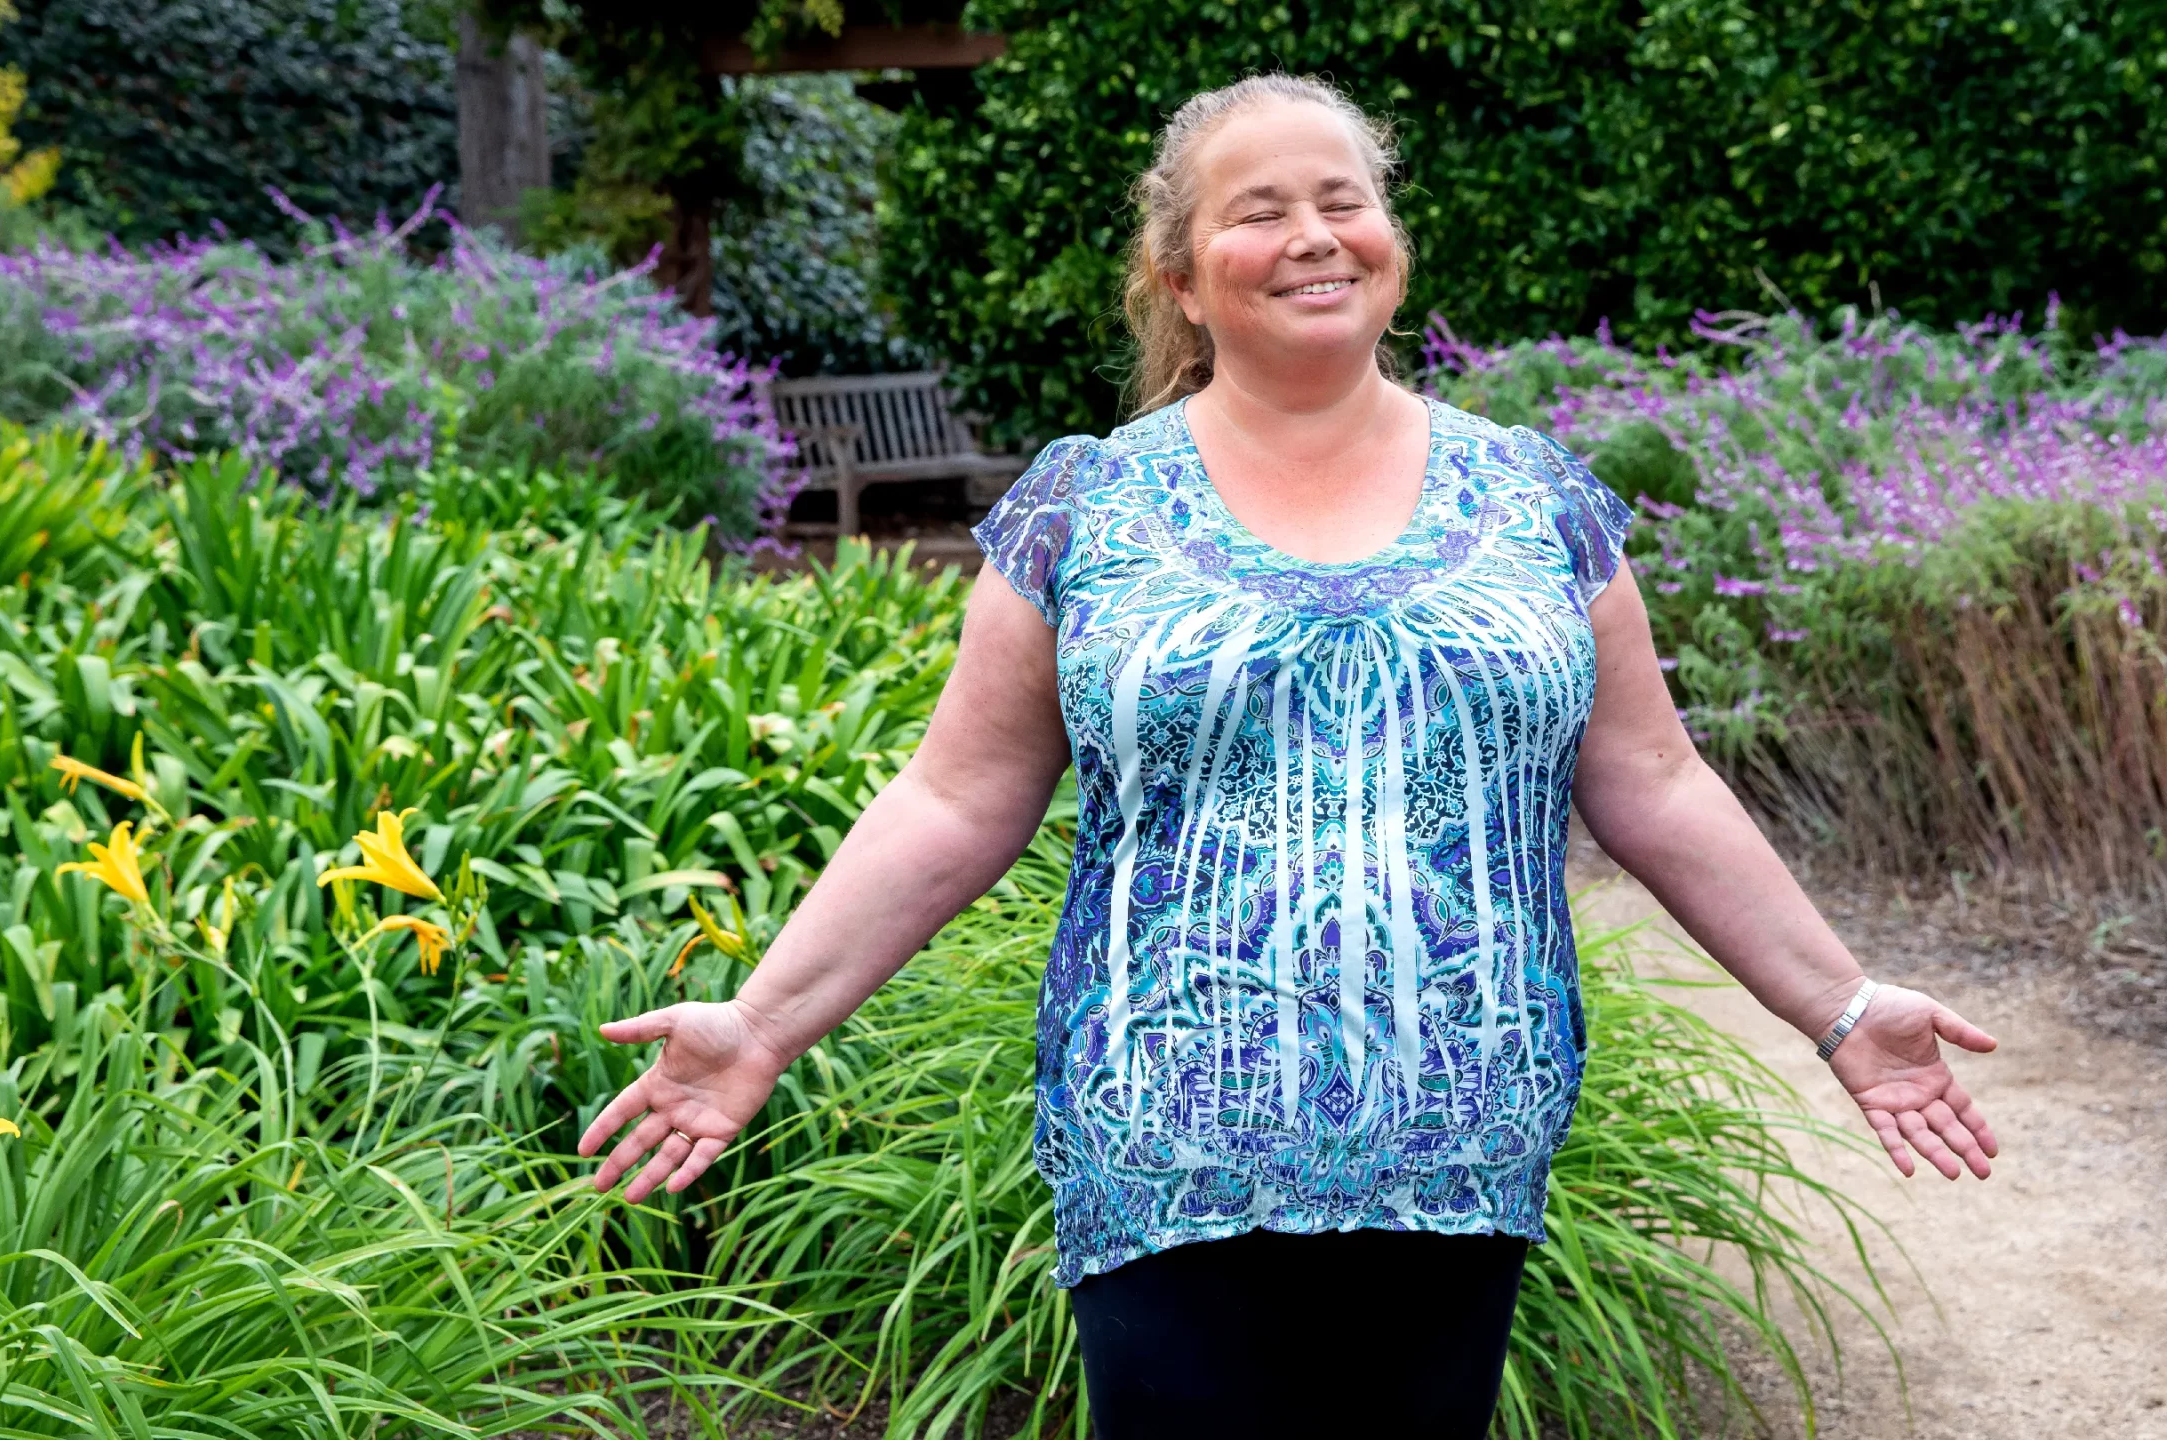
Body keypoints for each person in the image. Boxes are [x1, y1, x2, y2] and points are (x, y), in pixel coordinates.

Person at [576, 73, 2001, 1440]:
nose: (1313, 235)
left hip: (1461, 1127)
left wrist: (1842, 1007)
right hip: (1165, 1135)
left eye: (1345, 199)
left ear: (1392, 241)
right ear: (1183, 277)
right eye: (1258, 210)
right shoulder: (1090, 509)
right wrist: (761, 1025)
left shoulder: (1533, 501)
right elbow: (958, 799)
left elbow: (1656, 782)